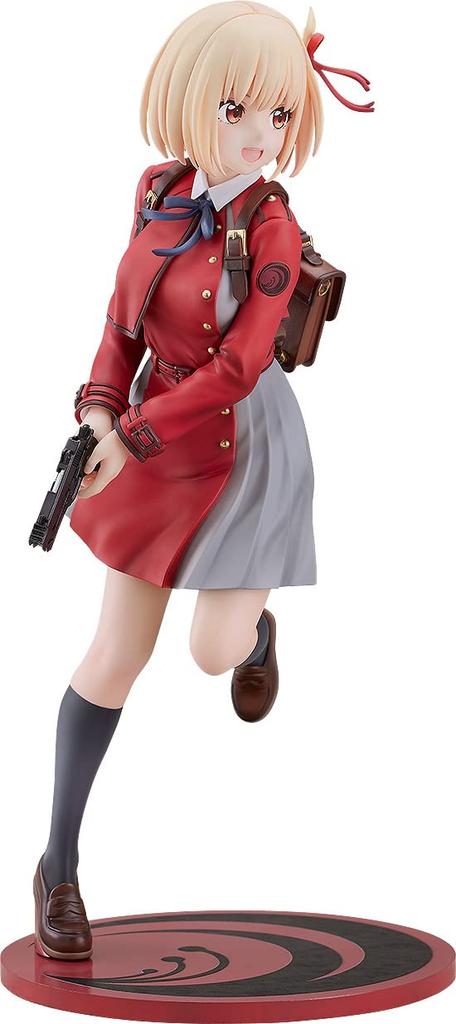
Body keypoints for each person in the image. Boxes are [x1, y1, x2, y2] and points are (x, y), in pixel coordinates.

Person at [33, 1, 372, 961]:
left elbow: (238, 368)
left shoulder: (272, 228)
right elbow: (120, 321)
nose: (259, 134)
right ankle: (58, 866)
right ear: (190, 101)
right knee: (114, 655)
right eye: (237, 109)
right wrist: (99, 410)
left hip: (240, 442)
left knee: (214, 652)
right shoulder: (157, 192)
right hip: (147, 438)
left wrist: (132, 432)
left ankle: (256, 630)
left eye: (279, 113)